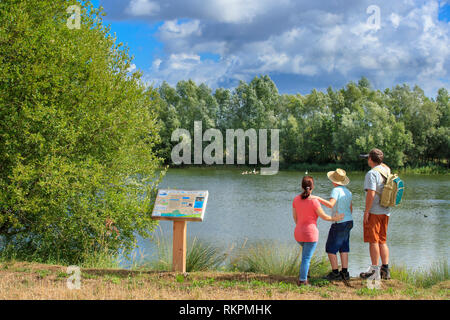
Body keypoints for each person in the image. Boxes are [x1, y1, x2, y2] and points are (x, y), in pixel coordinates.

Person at [292, 176, 344, 286]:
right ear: (312, 187)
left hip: (298, 233)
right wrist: (335, 218)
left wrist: (301, 227)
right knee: (306, 258)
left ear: (302, 186)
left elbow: (295, 218)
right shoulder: (314, 201)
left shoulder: (296, 199)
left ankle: (306, 274)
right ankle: (303, 281)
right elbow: (324, 216)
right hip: (310, 234)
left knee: (305, 256)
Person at [313, 169, 353, 281]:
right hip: (349, 221)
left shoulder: (336, 190)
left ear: (334, 181)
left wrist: (318, 198)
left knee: (330, 248)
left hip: (339, 223)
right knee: (344, 247)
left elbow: (331, 205)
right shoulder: (348, 192)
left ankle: (335, 273)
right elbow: (350, 208)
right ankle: (345, 273)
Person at [359, 148, 391, 280]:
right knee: (382, 241)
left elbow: (371, 193)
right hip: (386, 211)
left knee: (373, 241)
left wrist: (367, 211)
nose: (367, 159)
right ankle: (385, 269)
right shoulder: (386, 170)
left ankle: (374, 271)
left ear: (371, 159)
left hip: (375, 211)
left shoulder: (371, 174)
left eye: (368, 158)